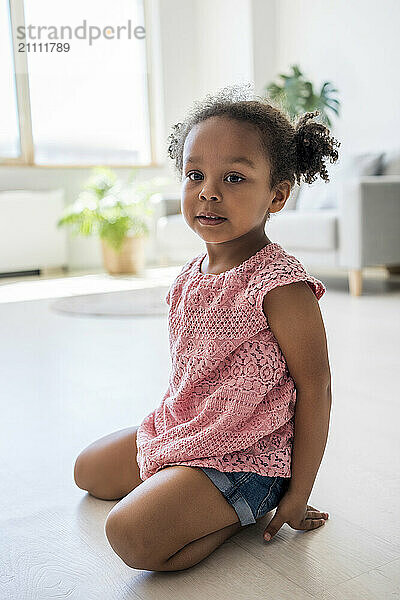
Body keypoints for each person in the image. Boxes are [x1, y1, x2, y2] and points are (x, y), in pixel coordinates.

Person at [74, 83, 339, 572]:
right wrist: (177, 436)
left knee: (130, 536)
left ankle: (243, 508)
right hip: (193, 428)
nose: (209, 191)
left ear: (277, 196)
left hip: (247, 454)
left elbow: (316, 389)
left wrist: (298, 494)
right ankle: (181, 478)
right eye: (195, 174)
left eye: (234, 178)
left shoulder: (282, 286)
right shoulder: (191, 274)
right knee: (87, 471)